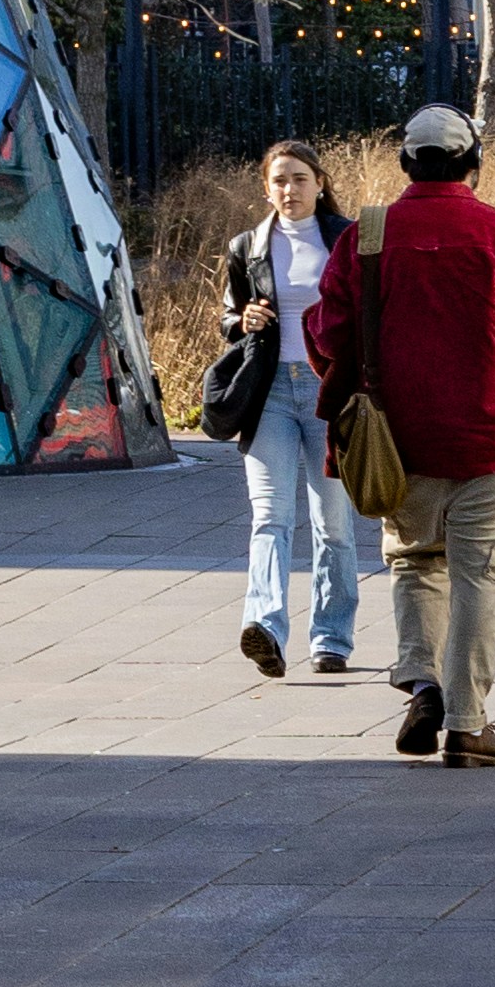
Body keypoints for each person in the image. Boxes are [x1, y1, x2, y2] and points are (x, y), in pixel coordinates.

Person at [306, 101, 495, 767]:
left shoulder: (366, 234)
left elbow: (330, 335)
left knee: (417, 562)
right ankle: (467, 723)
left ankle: (421, 682)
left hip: (398, 440)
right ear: (472, 161)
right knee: (481, 577)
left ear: (405, 161)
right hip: (492, 436)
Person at [224, 138, 362, 682]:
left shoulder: (346, 239)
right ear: (266, 188)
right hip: (271, 394)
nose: (289, 189)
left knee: (334, 524)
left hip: (330, 393)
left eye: (300, 178)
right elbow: (228, 317)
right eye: (279, 180)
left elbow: (370, 312)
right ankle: (265, 627)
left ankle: (331, 638)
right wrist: (243, 321)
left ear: (320, 182)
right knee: (270, 517)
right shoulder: (247, 247)